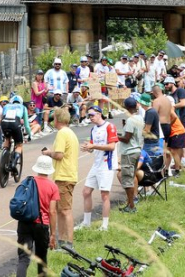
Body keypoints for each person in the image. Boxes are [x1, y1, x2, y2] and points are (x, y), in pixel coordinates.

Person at [42, 107, 79, 250]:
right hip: (65, 175)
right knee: (60, 209)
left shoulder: (62, 133)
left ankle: (68, 243)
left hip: (64, 175)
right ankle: (63, 241)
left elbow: (59, 155)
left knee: (65, 210)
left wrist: (47, 153)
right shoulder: (69, 132)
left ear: (57, 120)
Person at [16, 155, 59, 277]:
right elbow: (52, 212)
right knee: (41, 258)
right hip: (41, 225)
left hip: (24, 222)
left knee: (23, 258)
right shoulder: (53, 187)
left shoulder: (28, 182)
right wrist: (53, 235)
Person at [76, 107, 118, 231]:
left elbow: (111, 146)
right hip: (96, 164)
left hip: (107, 165)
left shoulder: (110, 127)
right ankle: (86, 222)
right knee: (86, 192)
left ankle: (104, 225)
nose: (90, 117)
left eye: (92, 115)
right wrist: (88, 148)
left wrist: (93, 145)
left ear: (99, 114)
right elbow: (93, 147)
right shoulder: (93, 129)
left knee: (104, 195)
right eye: (89, 116)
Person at [117, 97, 143, 213]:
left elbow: (126, 138)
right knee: (131, 177)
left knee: (127, 180)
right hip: (137, 150)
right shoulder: (139, 118)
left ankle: (131, 206)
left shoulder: (130, 120)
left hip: (129, 152)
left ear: (126, 108)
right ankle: (130, 203)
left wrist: (115, 136)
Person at [168, 76, 185, 168]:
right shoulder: (170, 95)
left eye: (167, 84)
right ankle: (181, 160)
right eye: (165, 84)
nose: (166, 86)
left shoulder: (180, 91)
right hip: (177, 120)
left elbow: (183, 103)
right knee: (180, 142)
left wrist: (172, 107)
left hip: (184, 118)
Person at [1, 96, 31, 173]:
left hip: (4, 123)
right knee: (19, 145)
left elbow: (2, 118)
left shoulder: (6, 106)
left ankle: (5, 154)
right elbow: (27, 125)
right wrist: (30, 135)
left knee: (7, 139)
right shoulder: (23, 107)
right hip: (15, 123)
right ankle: (13, 164)